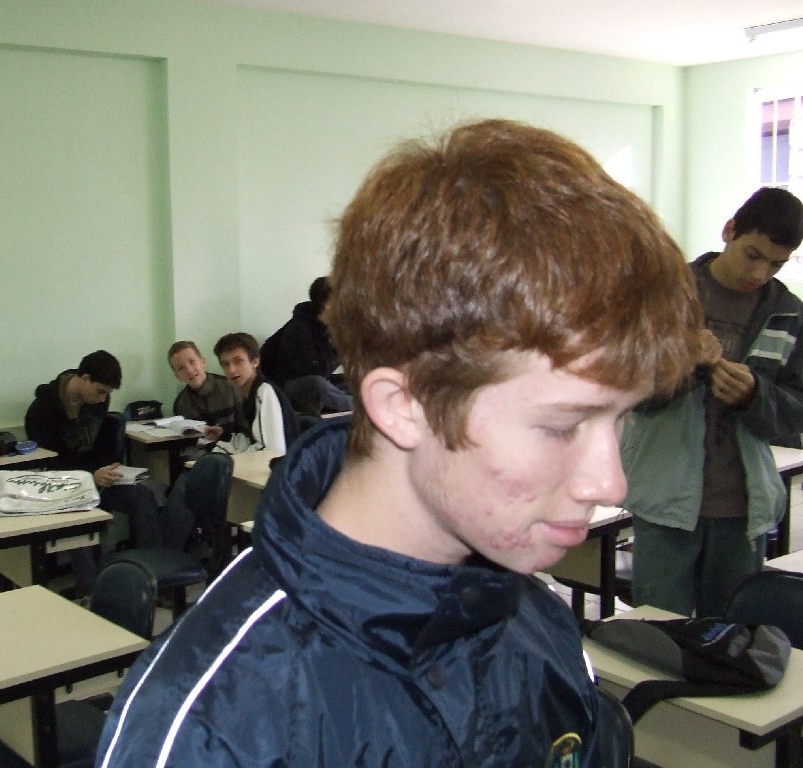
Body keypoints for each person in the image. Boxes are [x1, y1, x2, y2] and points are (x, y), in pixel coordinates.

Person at [95, 119, 699, 767]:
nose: (610, 483)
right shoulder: (208, 731)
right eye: (560, 426)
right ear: (404, 406)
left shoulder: (538, 622)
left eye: (621, 420)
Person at [622, 187, 803, 618]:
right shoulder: (666, 294)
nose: (759, 272)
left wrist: (755, 396)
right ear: (729, 230)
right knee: (660, 634)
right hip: (665, 500)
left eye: (776, 264)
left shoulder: (789, 314)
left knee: (730, 635)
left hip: (744, 507)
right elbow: (627, 388)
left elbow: (796, 414)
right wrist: (683, 364)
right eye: (752, 255)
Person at [24, 350, 159, 597]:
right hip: (65, 488)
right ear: (84, 378)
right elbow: (49, 469)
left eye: (107, 393)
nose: (103, 399)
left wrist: (111, 468)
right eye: (100, 391)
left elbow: (100, 446)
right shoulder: (41, 410)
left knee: (143, 496)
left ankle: (149, 577)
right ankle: (91, 593)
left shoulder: (99, 401)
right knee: (80, 516)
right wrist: (89, 476)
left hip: (98, 478)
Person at [260, 276, 354, 416]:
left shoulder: (330, 325)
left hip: (312, 378)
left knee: (351, 380)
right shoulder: (299, 328)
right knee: (318, 384)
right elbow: (316, 370)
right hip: (283, 384)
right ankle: (359, 408)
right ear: (327, 303)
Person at [213, 332, 297, 456]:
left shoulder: (264, 391)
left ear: (255, 361)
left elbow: (272, 451)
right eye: (226, 364)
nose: (231, 370)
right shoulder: (249, 394)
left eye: (238, 361)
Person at [167, 340, 244, 442]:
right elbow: (185, 441)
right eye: (181, 368)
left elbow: (248, 427)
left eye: (192, 362)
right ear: (177, 376)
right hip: (202, 450)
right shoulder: (181, 404)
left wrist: (224, 434)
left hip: (237, 446)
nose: (189, 370)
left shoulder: (231, 387)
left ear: (203, 362)